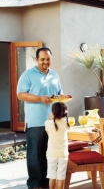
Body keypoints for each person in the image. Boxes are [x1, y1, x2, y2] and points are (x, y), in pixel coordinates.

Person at [17, 47, 65, 189]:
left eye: (48, 59)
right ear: (36, 59)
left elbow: (59, 94)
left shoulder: (55, 75)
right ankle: (35, 184)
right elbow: (20, 94)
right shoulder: (28, 74)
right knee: (35, 154)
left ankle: (46, 182)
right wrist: (39, 98)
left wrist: (63, 99)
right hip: (35, 122)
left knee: (49, 153)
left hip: (53, 122)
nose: (45, 62)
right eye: (42, 59)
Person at [45, 102, 70, 189]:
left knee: (52, 175)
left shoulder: (48, 123)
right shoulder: (66, 123)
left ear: (53, 112)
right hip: (63, 154)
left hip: (51, 154)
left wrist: (50, 118)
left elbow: (48, 132)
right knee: (61, 176)